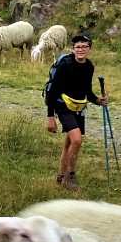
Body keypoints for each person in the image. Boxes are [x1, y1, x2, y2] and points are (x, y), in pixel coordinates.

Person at [44, 33, 107, 190]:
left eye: (84, 46)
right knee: (77, 140)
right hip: (63, 105)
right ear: (73, 49)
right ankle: (71, 176)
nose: (80, 49)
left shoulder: (89, 66)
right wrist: (50, 117)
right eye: (77, 47)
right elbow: (52, 92)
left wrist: (98, 101)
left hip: (79, 107)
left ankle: (61, 176)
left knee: (70, 143)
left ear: (90, 49)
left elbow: (86, 90)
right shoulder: (65, 65)